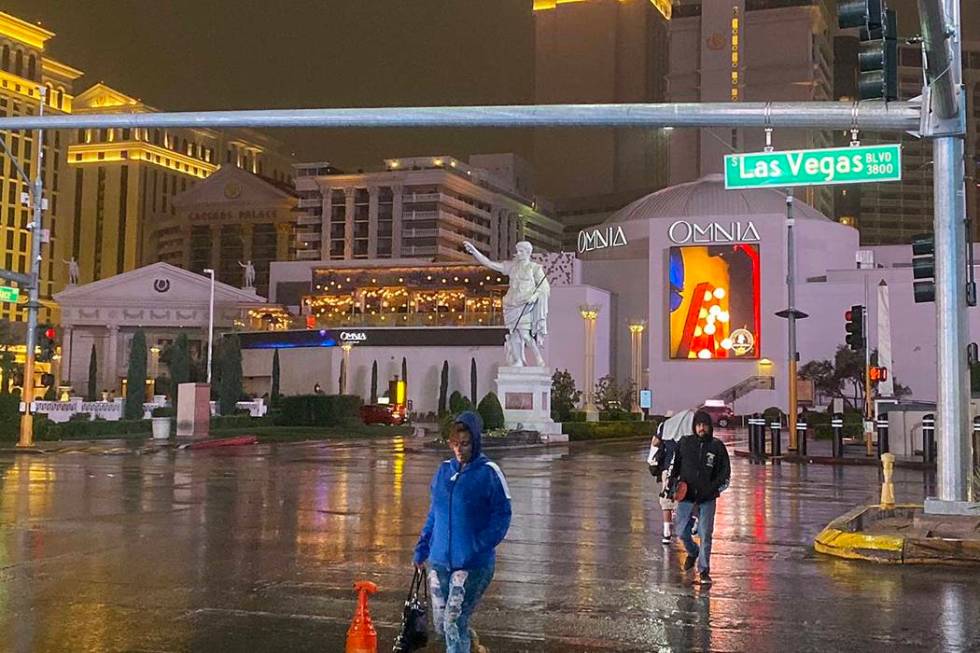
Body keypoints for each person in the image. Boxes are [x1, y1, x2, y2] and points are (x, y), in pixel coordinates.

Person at [413, 411, 512, 653]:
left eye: (465, 444)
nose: (459, 449)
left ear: (476, 441)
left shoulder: (489, 472)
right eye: (455, 444)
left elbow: (503, 515)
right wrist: (422, 548)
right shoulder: (443, 471)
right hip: (439, 562)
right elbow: (434, 514)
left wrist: (478, 545)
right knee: (442, 625)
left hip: (473, 565)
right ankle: (472, 647)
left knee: (454, 622)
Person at [668, 410, 731, 586]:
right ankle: (693, 551)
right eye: (698, 425)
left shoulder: (717, 446)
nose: (701, 428)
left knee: (705, 534)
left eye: (704, 425)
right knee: (681, 531)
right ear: (694, 426)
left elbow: (725, 473)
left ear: (709, 426)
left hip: (707, 498)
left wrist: (712, 489)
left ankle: (704, 570)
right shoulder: (685, 443)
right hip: (686, 495)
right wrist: (672, 485)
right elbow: (675, 467)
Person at [647, 424, 677, 545]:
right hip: (686, 468)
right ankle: (691, 524)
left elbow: (655, 442)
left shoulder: (665, 426)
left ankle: (666, 532)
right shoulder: (690, 424)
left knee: (666, 499)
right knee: (688, 498)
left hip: (668, 468)